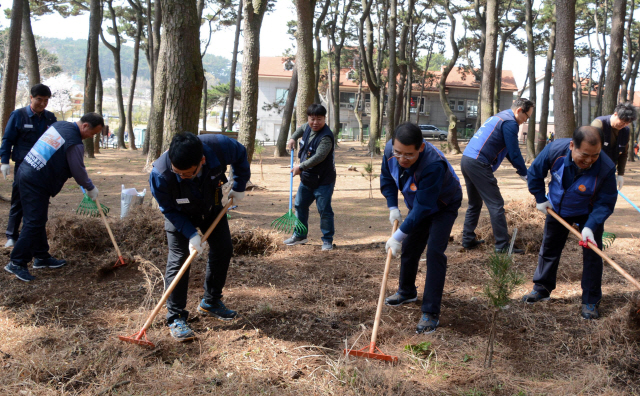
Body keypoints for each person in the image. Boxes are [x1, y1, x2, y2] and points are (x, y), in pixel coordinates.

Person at [149, 132, 250, 342]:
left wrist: (239, 185)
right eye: (178, 173)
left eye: (187, 174)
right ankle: (176, 316)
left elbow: (241, 154)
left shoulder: (220, 147)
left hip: (209, 205)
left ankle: (211, 302)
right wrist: (191, 234)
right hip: (178, 213)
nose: (181, 177)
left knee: (223, 249)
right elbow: (168, 209)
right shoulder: (160, 174)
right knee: (178, 259)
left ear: (202, 161)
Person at [522, 126, 617, 320]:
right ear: (572, 146)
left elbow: (605, 202)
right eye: (584, 155)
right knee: (549, 247)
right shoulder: (555, 150)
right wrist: (540, 198)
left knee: (592, 255)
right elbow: (534, 173)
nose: (589, 160)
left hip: (588, 213)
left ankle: (590, 300)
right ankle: (542, 288)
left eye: (595, 155)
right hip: (557, 208)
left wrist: (591, 226)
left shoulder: (606, 168)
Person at [380, 123, 463, 334]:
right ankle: (407, 292)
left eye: (409, 154)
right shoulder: (391, 150)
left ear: (421, 148)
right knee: (410, 247)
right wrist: (392, 206)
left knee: (435, 251)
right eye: (398, 152)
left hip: (444, 204)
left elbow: (424, 206)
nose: (402, 159)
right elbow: (388, 179)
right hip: (420, 203)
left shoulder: (433, 164)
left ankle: (430, 312)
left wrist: (397, 235)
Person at [3, 113, 104, 282]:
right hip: (36, 180)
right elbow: (78, 169)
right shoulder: (75, 142)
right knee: (34, 221)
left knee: (37, 218)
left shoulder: (60, 126)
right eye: (92, 134)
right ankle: (17, 262)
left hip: (26, 172)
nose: (90, 137)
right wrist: (89, 186)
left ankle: (41, 256)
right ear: (85, 126)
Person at [460, 98, 534, 254]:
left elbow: (507, 151)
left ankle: (467, 239)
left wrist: (522, 171)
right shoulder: (510, 122)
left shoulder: (500, 117)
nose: (525, 121)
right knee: (496, 204)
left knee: (475, 203)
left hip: (467, 159)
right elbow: (514, 152)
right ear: (519, 111)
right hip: (478, 163)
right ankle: (502, 245)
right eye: (526, 117)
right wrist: (524, 173)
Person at [0, 84, 57, 248]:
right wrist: (4, 161)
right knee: (18, 200)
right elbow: (7, 140)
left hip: (43, 168)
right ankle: (11, 235)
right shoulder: (18, 115)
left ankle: (31, 235)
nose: (43, 103)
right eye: (39, 99)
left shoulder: (50, 118)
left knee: (39, 203)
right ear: (31, 98)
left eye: (46, 100)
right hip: (23, 167)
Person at [284, 104, 336, 251]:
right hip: (307, 178)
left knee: (324, 210)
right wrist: (293, 138)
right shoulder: (307, 126)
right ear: (308, 118)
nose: (315, 122)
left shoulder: (326, 137)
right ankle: (300, 235)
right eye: (312, 119)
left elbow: (319, 157)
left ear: (324, 119)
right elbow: (300, 129)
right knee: (300, 205)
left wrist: (300, 167)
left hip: (323, 180)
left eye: (319, 119)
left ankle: (327, 240)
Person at [590, 102, 637, 191]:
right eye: (622, 122)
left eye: (627, 124)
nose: (623, 125)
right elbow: (590, 149)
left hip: (609, 170)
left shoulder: (625, 131)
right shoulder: (599, 124)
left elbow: (623, 153)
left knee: (607, 198)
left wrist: (620, 174)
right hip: (593, 170)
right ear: (615, 114)